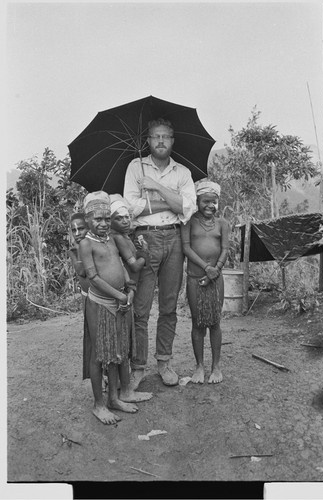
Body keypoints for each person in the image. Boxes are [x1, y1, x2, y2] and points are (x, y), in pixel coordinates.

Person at [123, 118, 197, 389]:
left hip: (175, 239)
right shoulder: (135, 167)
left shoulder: (183, 172)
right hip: (144, 238)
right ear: (148, 140)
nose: (161, 141)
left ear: (172, 140)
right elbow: (130, 208)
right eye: (156, 137)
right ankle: (138, 366)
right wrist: (170, 201)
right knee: (140, 307)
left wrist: (155, 187)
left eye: (166, 136)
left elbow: (187, 209)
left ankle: (164, 362)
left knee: (168, 306)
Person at [79, 191, 152, 425]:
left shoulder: (111, 239)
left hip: (119, 301)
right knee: (100, 354)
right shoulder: (86, 243)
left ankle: (113, 398)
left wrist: (128, 289)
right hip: (100, 304)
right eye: (97, 219)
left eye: (106, 219)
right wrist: (119, 295)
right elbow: (93, 277)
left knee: (116, 351)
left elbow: (124, 267)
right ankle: (98, 405)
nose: (102, 223)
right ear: (87, 219)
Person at [180, 179, 229, 384]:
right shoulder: (188, 221)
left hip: (216, 280)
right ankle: (199, 366)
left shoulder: (222, 224)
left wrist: (215, 270)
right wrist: (206, 268)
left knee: (215, 322)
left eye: (214, 202)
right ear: (197, 201)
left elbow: (225, 249)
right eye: (205, 201)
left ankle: (216, 367)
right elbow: (186, 248)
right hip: (195, 278)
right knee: (198, 323)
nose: (210, 205)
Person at [68, 213, 91, 381]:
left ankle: (111, 374)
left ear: (88, 227)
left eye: (81, 228)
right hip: (88, 297)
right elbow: (82, 272)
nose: (77, 233)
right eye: (73, 230)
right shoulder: (74, 249)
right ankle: (99, 376)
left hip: (103, 297)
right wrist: (77, 252)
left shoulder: (94, 245)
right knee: (92, 336)